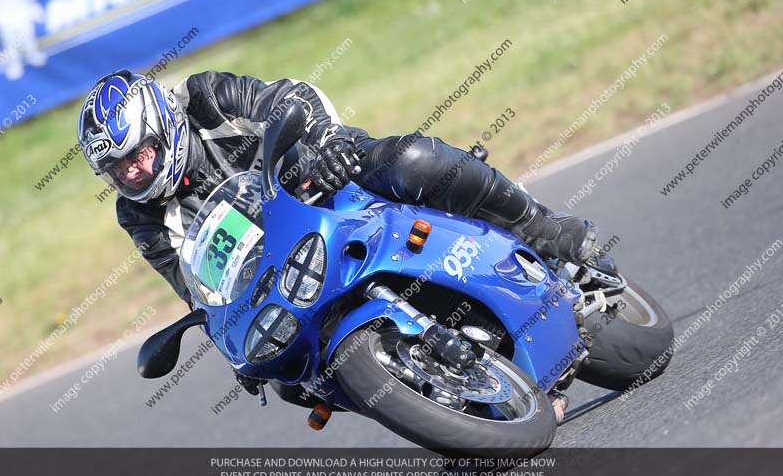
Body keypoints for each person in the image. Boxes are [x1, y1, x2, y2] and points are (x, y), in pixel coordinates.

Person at [78, 70, 598, 305]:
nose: (132, 173)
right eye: (118, 169)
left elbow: (288, 97)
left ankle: (541, 226)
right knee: (285, 377)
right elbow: (191, 286)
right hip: (282, 263)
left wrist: (327, 144)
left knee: (410, 160)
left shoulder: (206, 98)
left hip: (329, 178)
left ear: (163, 127)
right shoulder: (138, 214)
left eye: (137, 155)